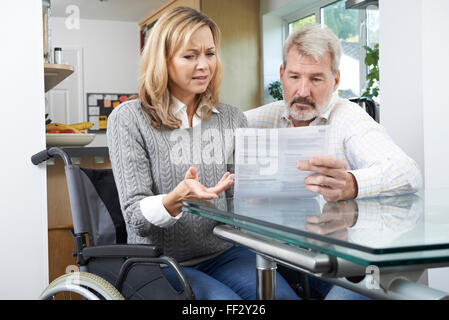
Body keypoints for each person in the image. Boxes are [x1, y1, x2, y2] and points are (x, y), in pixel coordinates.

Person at [107, 6, 298, 300]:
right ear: (163, 60)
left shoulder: (232, 118)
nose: (204, 65)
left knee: (281, 298)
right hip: (158, 260)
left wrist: (280, 191)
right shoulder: (128, 118)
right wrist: (176, 199)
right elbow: (135, 218)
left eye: (209, 53)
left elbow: (240, 201)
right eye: (190, 55)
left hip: (225, 252)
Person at [245, 24, 422, 299]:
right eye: (294, 76)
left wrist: (352, 183)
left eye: (316, 79)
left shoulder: (348, 118)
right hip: (283, 255)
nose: (302, 90)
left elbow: (407, 172)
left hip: (346, 262)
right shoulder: (259, 120)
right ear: (282, 74)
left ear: (335, 81)